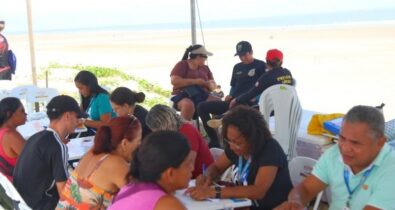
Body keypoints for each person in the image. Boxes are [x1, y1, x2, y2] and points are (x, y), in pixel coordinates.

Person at [274, 105, 395, 210]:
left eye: (355, 143)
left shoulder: (391, 168)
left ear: (380, 142)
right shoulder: (334, 153)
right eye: (342, 138)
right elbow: (306, 188)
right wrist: (296, 202)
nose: (345, 148)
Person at [186, 105, 292, 210]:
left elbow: (258, 191)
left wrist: (214, 192)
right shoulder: (234, 148)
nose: (232, 146)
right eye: (229, 141)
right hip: (242, 205)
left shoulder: (270, 149)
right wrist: (207, 176)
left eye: (238, 143)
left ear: (254, 139)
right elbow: (217, 167)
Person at [13, 95, 84, 210]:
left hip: (21, 202)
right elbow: (63, 193)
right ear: (67, 115)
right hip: (39, 205)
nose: (78, 121)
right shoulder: (57, 145)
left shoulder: (35, 137)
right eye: (77, 117)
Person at [56, 116, 142, 209]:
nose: (140, 146)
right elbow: (142, 200)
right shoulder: (116, 164)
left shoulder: (93, 152)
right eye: (138, 141)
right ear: (124, 143)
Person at [197, 41, 266, 148]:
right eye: (240, 56)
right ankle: (215, 139)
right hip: (233, 101)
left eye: (245, 55)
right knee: (202, 107)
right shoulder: (237, 67)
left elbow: (264, 87)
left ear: (251, 52)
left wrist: (256, 98)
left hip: (249, 102)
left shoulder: (261, 65)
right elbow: (233, 85)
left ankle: (224, 117)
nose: (242, 58)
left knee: (239, 108)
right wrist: (229, 95)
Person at [108, 131, 194, 210]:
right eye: (188, 164)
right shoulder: (167, 205)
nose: (192, 168)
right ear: (170, 173)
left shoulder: (129, 187)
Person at [145, 104, 214, 178]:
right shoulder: (172, 133)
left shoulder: (186, 131)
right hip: (187, 177)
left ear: (162, 125)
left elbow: (188, 165)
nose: (155, 133)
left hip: (200, 178)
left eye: (155, 129)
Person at [170, 44, 220, 121]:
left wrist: (210, 84)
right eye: (205, 57)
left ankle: (214, 129)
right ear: (198, 56)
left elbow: (214, 87)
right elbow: (174, 81)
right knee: (188, 105)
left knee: (218, 103)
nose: (206, 59)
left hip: (202, 94)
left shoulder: (205, 68)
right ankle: (185, 128)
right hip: (182, 94)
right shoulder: (182, 64)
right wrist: (195, 82)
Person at [229, 48, 294, 109]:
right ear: (281, 61)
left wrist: (236, 100)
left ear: (267, 60)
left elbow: (252, 93)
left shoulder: (267, 76)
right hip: (287, 106)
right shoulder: (287, 72)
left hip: (271, 109)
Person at [0, 97, 26, 181]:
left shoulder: (3, 132)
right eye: (22, 111)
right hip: (22, 183)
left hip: (11, 180)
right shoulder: (11, 136)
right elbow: (35, 160)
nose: (25, 114)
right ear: (9, 114)